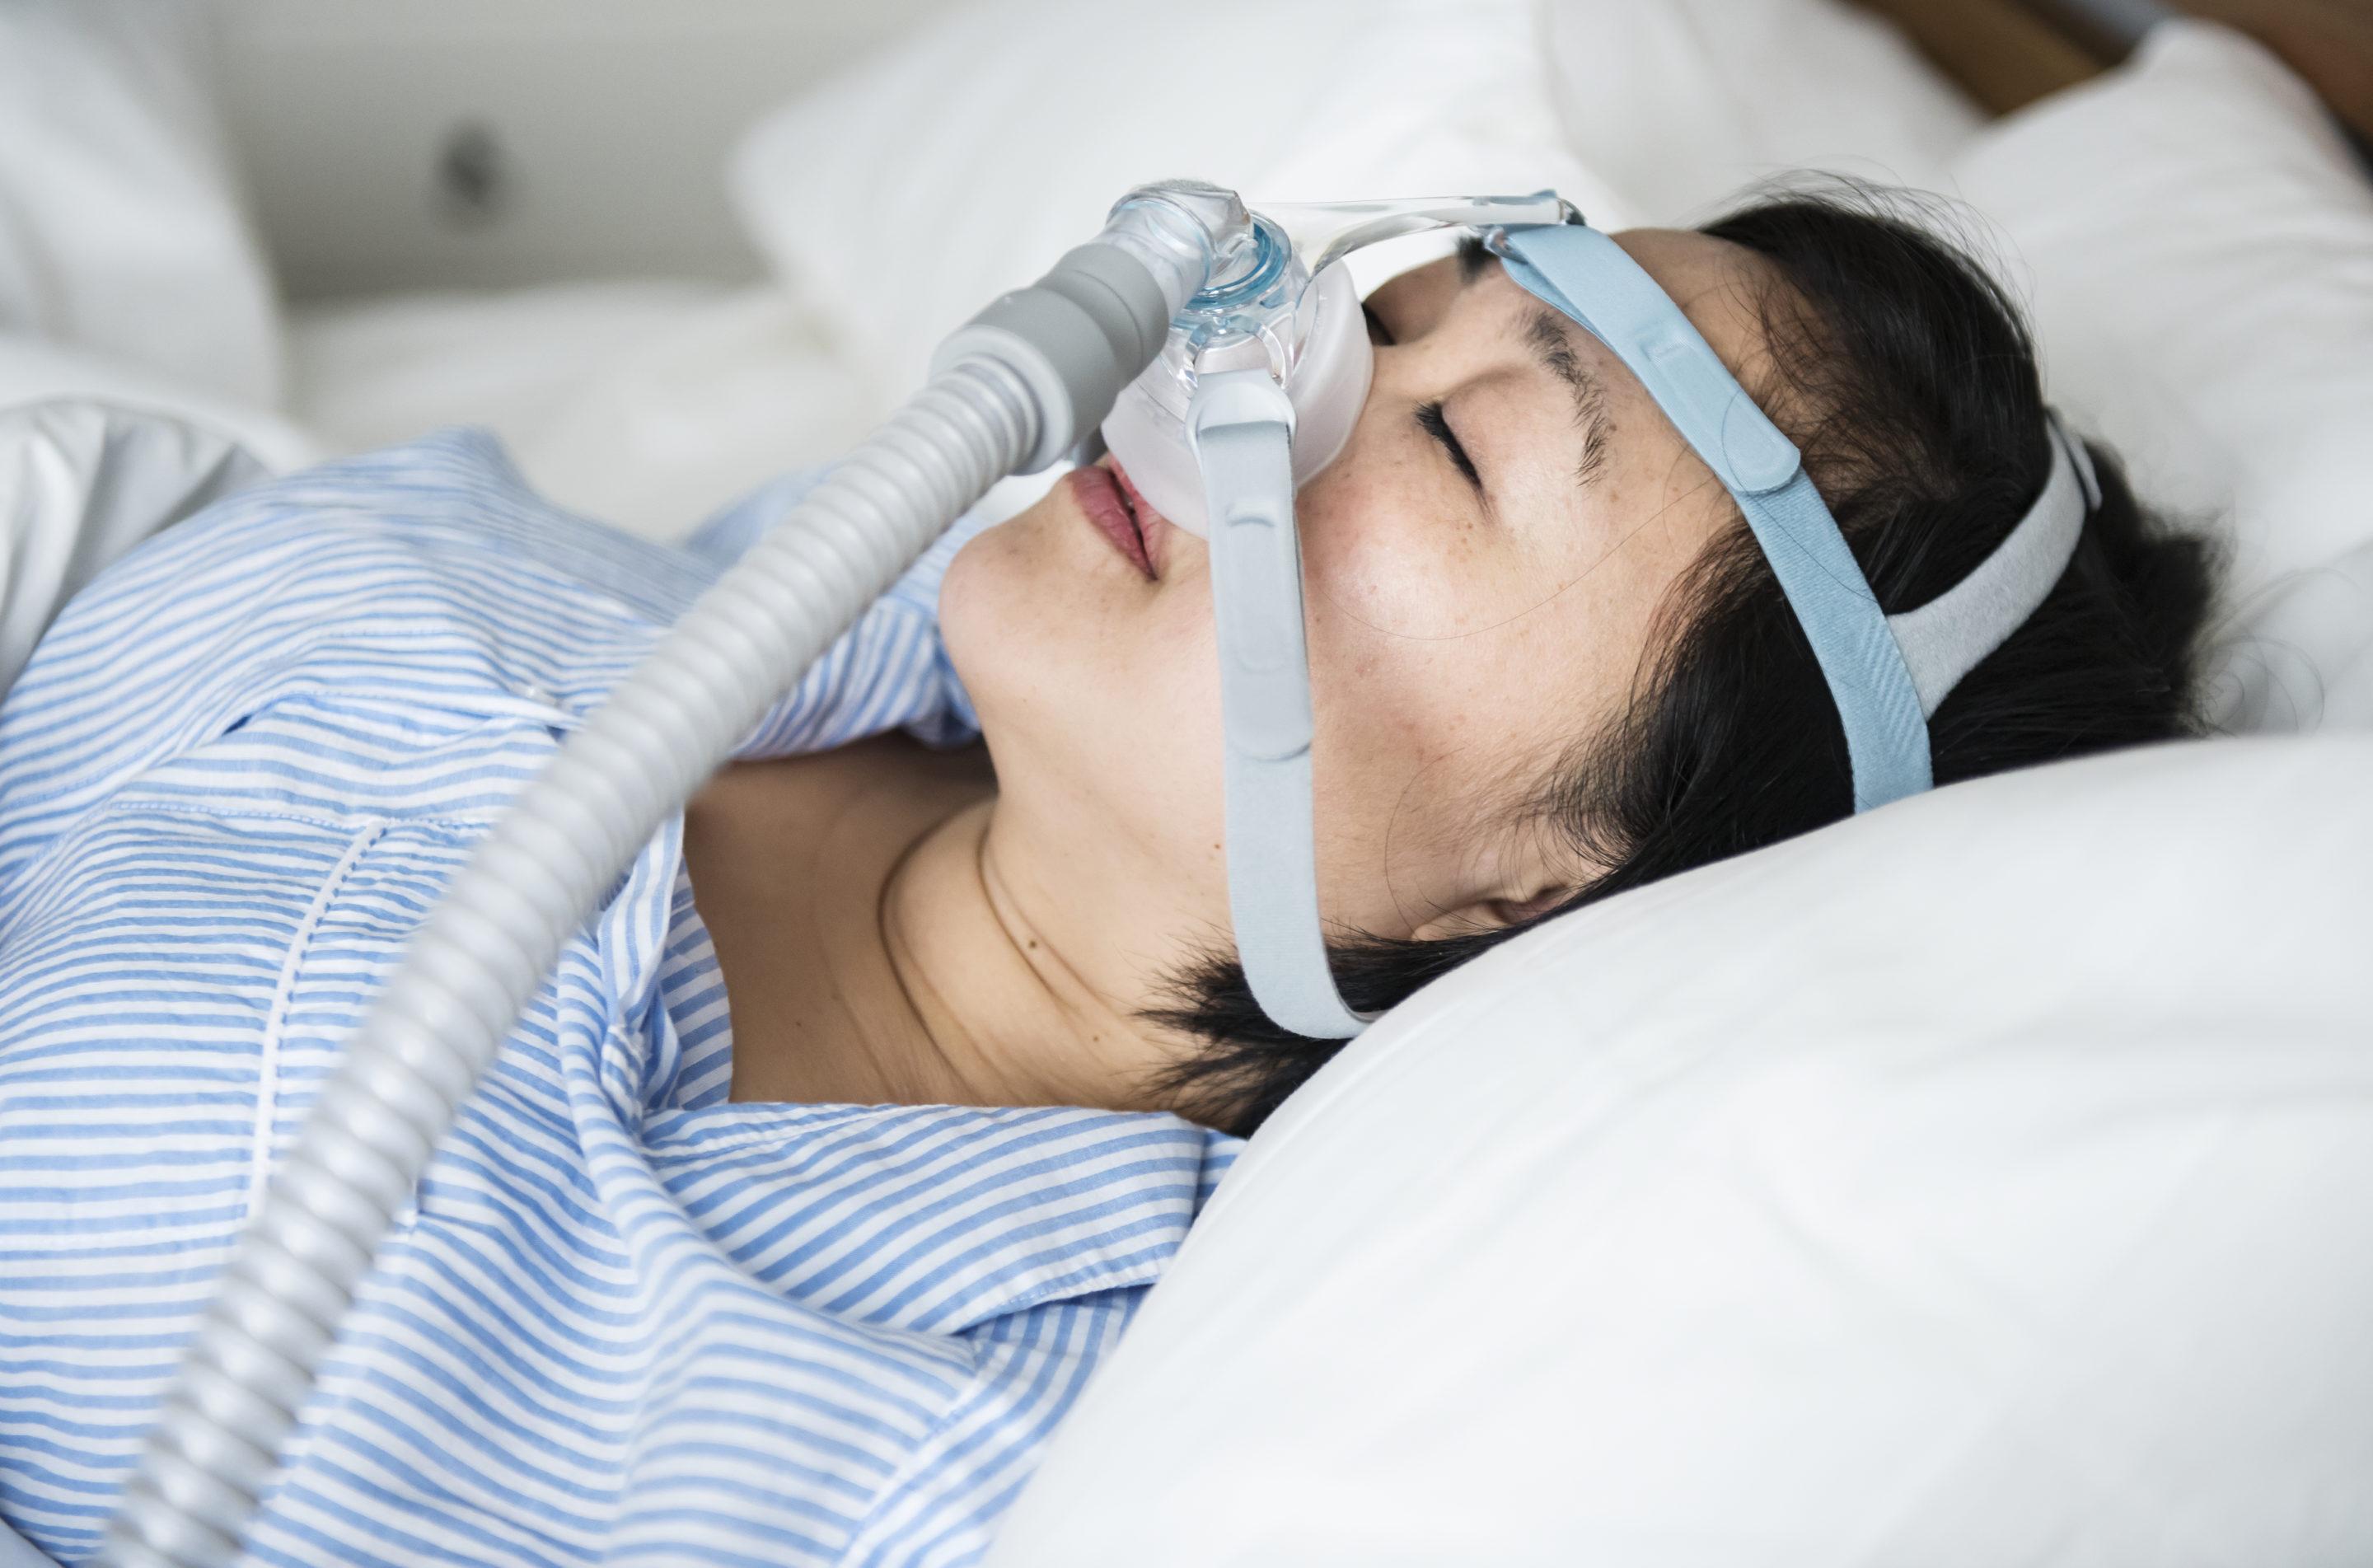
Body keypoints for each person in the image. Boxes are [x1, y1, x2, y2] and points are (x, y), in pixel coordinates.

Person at [0, 190, 2208, 1566]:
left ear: (1552, 894)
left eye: (1451, 439)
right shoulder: (716, 606)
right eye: (1405, 305)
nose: (1285, 373)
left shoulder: (963, 1448)